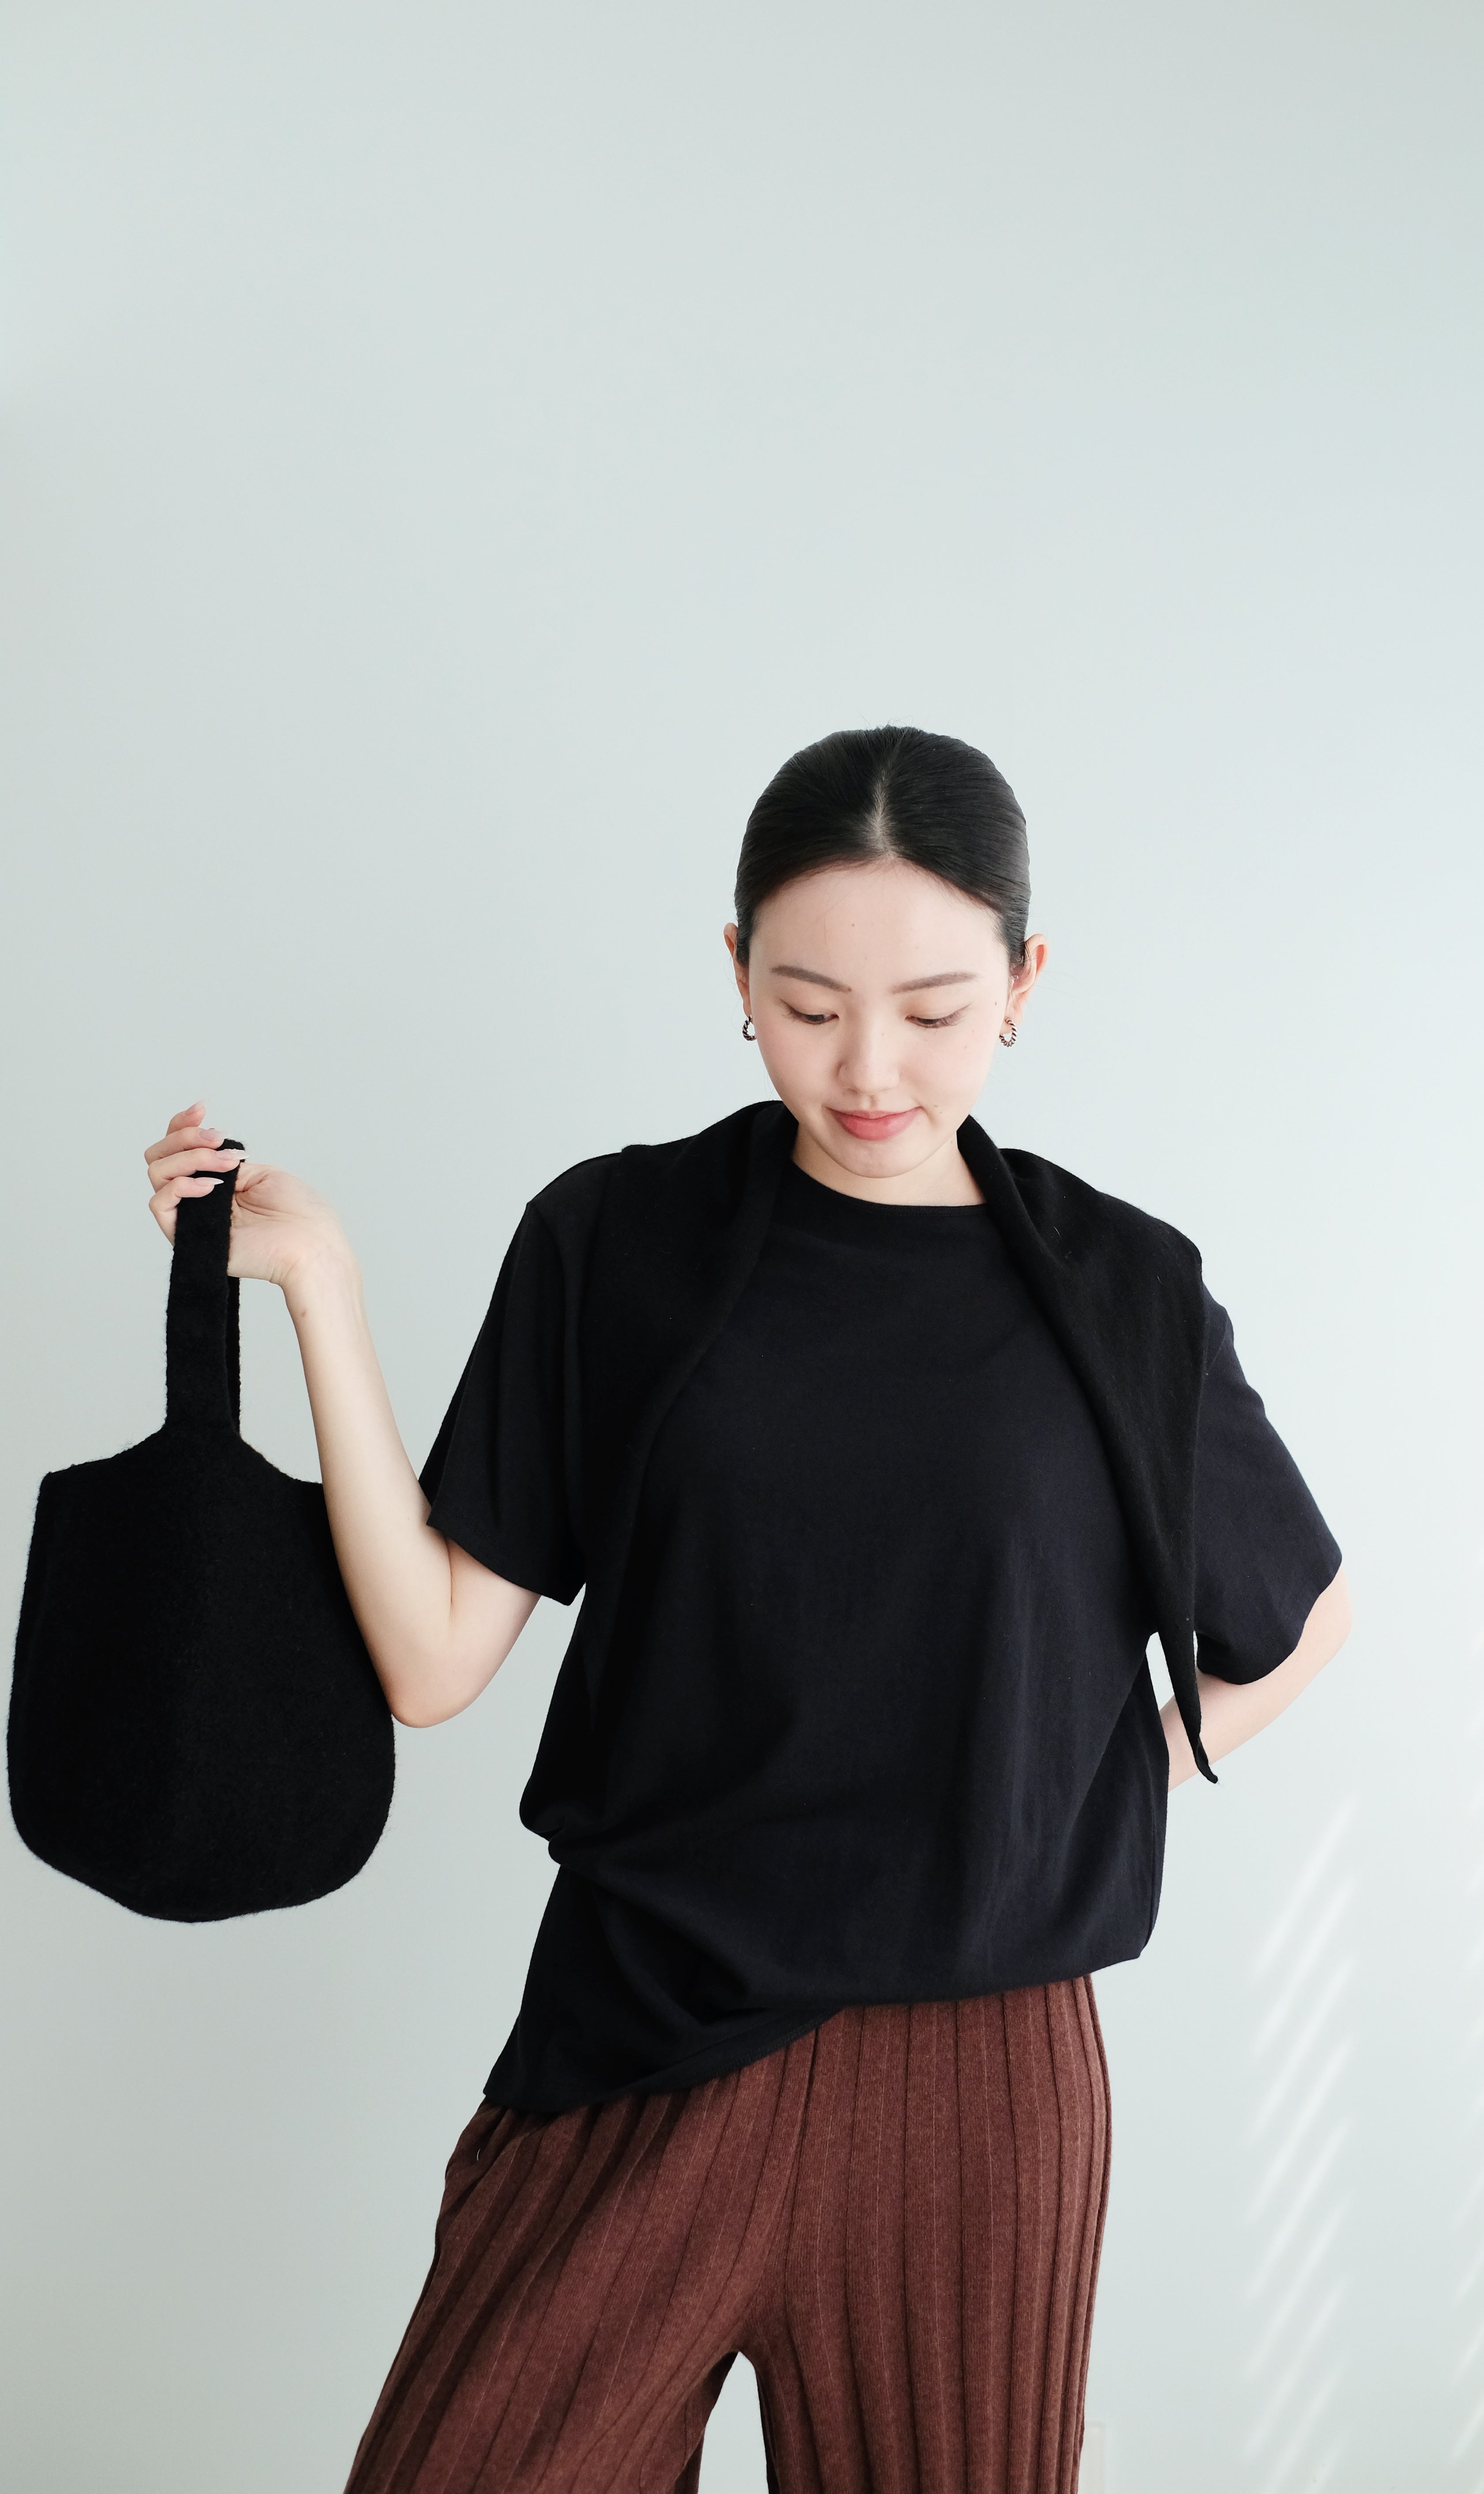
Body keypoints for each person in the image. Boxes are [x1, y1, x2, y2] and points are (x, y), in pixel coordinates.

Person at [144, 725, 1349, 2494]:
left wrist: (1095, 1785)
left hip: (980, 2093)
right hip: (638, 2034)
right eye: (809, 1003)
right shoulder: (614, 1240)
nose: (869, 1067)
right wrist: (319, 1284)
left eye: (934, 1011)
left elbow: (1300, 1619)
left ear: (1025, 983)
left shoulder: (1125, 1293)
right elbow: (436, 1657)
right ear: (736, 975)